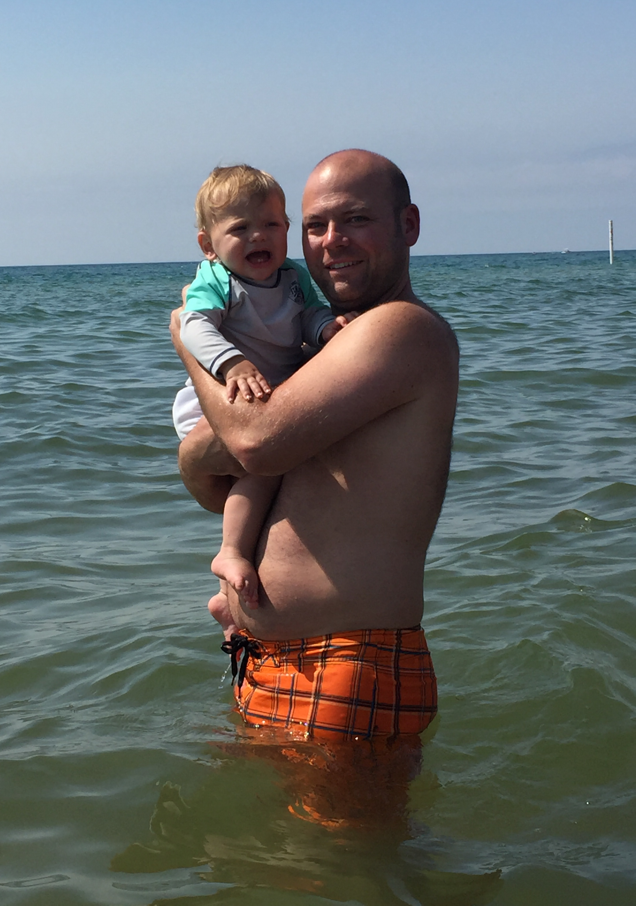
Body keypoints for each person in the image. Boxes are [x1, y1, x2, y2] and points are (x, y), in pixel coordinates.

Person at [171, 148, 459, 743]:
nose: (332, 241)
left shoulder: (398, 328)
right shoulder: (319, 352)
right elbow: (218, 479)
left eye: (355, 219)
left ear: (408, 225)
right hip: (272, 659)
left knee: (347, 815)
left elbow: (253, 443)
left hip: (347, 663)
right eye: (315, 226)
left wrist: (186, 340)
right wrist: (197, 456)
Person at [173, 165, 354, 637]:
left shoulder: (292, 276)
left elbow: (308, 313)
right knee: (262, 473)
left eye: (271, 224)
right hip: (221, 397)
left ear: (287, 230)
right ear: (208, 245)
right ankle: (230, 553)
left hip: (269, 394)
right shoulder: (216, 279)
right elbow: (192, 327)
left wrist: (325, 329)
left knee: (276, 498)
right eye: (240, 228)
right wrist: (232, 363)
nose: (258, 236)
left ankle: (230, 605)